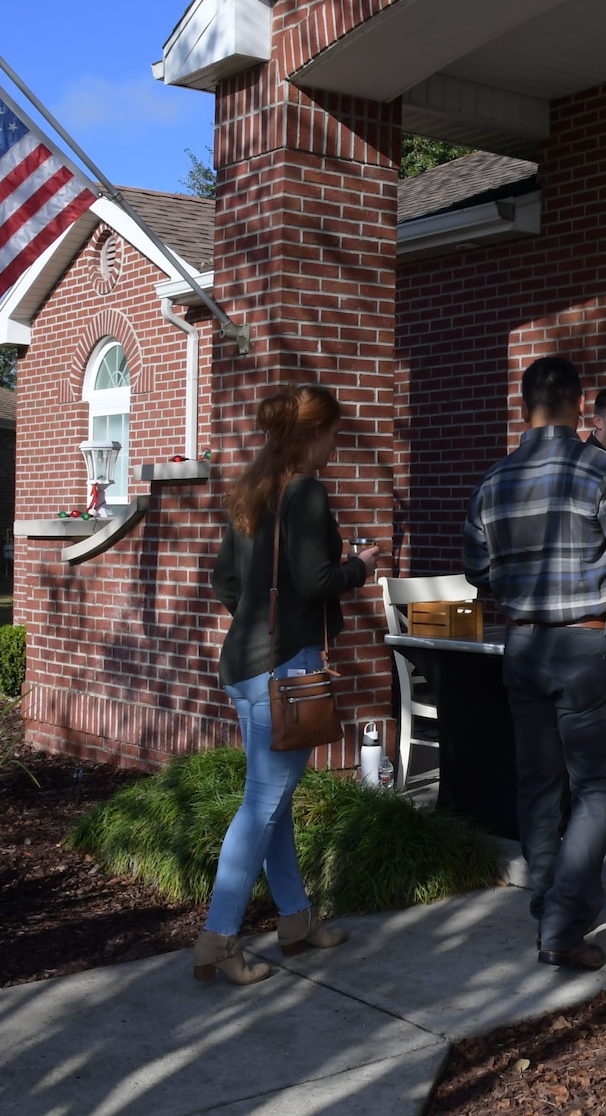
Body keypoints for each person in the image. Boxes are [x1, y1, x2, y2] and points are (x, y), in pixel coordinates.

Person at [464, 356, 606, 971]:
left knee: (539, 783)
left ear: (524, 408)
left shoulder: (493, 481)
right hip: (587, 643)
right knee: (596, 786)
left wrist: (519, 589)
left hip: (523, 644)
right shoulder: (602, 469)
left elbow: (476, 567)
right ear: (580, 408)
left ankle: (547, 898)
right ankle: (563, 923)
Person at [202, 384, 378, 985]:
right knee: (265, 803)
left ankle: (296, 920)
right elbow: (314, 577)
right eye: (333, 434)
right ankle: (219, 939)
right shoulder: (305, 491)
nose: (336, 444)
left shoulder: (251, 491)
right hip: (285, 668)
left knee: (271, 803)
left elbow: (225, 581)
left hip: (247, 664)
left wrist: (256, 626)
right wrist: (363, 567)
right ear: (311, 435)